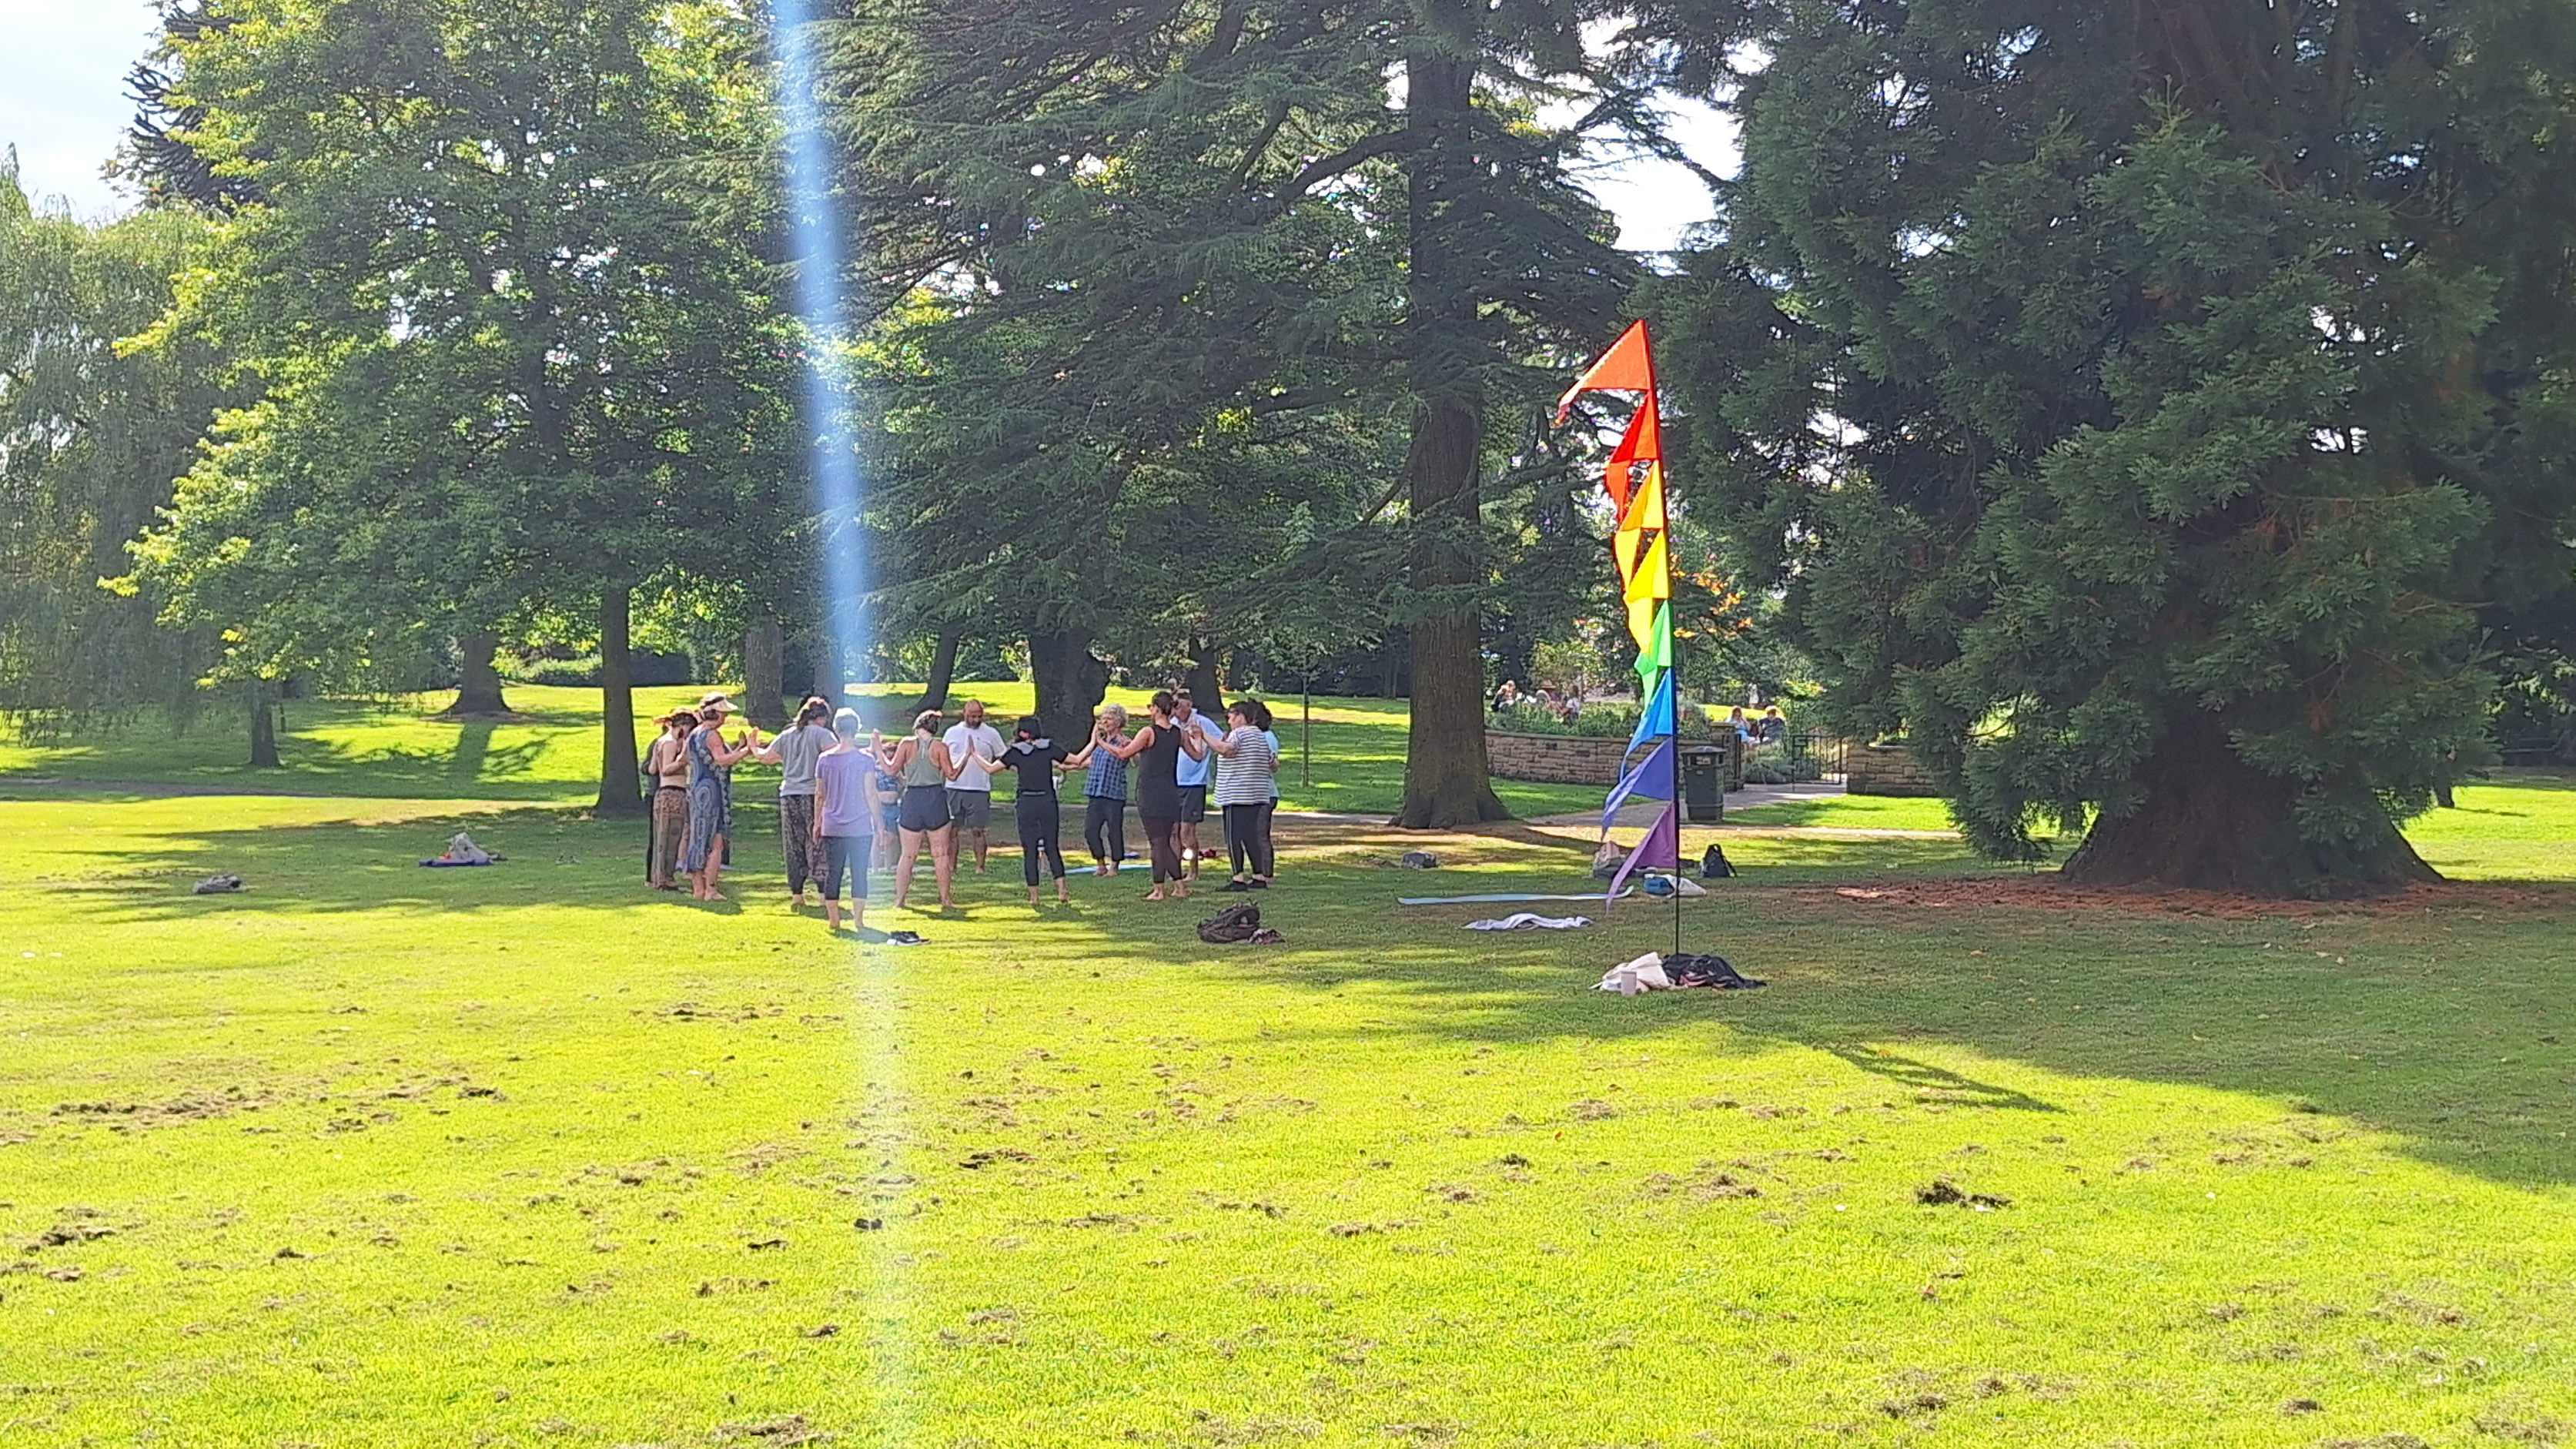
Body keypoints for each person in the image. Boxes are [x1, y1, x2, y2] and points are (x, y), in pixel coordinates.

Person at [1106, 689, 1206, 902]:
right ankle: (1178, 886)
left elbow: (1124, 754)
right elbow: (1198, 756)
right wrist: (1198, 738)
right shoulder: (1178, 733)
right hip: (1171, 791)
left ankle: (1159, 889)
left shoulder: (1148, 732)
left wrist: (1101, 742)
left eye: (1152, 707)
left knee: (1157, 841)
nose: (1150, 711)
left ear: (1158, 709)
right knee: (1165, 840)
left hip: (1150, 792)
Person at [754, 695, 835, 909]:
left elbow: (767, 757)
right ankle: (822, 892)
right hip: (812, 794)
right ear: (823, 717)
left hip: (789, 794)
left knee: (793, 844)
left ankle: (797, 893)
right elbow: (836, 757)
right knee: (816, 840)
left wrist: (753, 747)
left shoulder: (787, 735)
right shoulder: (822, 734)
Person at [680, 697, 762, 901]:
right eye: (724, 714)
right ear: (716, 714)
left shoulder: (693, 735)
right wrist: (746, 750)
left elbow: (695, 760)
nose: (725, 718)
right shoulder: (713, 735)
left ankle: (697, 888)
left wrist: (737, 749)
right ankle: (711, 889)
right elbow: (721, 761)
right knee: (716, 842)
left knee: (697, 837)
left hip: (697, 789)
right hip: (713, 791)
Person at [992, 714, 1076, 905]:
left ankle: (1034, 896)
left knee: (1030, 850)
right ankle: (1062, 891)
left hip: (1026, 802)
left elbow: (991, 769)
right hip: (1047, 801)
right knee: (1051, 846)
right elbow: (1076, 759)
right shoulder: (1048, 747)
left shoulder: (1016, 752)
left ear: (1022, 732)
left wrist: (973, 756)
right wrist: (1095, 740)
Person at [810, 708, 875, 933]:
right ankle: (858, 919)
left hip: (832, 824)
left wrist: (817, 821)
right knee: (860, 871)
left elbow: (820, 794)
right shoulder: (866, 759)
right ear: (856, 730)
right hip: (860, 825)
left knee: (833, 871)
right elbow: (870, 793)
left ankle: (834, 918)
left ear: (836, 730)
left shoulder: (824, 759)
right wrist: (880, 822)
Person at [1206, 699, 1280, 892]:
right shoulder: (1260, 736)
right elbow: (1274, 764)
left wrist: (1203, 735)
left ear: (1240, 716)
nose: (1229, 721)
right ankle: (1258, 875)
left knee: (1233, 836)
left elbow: (1226, 750)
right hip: (1256, 794)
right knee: (1251, 836)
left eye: (1230, 717)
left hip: (1235, 794)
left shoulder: (1239, 733)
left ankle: (1238, 877)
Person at [890, 708, 960, 911]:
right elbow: (951, 775)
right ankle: (945, 899)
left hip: (913, 797)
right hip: (935, 798)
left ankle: (900, 900)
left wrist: (877, 749)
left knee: (908, 855)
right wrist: (965, 758)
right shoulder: (940, 747)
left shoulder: (906, 744)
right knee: (940, 854)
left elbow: (891, 769)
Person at [941, 699, 1006, 874]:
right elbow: (943, 758)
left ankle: (980, 867)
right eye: (972, 716)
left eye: (979, 716)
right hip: (954, 787)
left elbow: (1003, 757)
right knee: (952, 830)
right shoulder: (952, 733)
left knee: (978, 829)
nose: (976, 720)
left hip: (979, 788)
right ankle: (951, 866)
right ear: (964, 713)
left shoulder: (991, 734)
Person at [1068, 704, 1131, 875]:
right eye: (1103, 718)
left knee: (1114, 831)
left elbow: (1134, 759)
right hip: (1096, 793)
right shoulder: (1099, 744)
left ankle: (1115, 865)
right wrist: (1068, 767)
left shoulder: (1124, 742)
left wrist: (1101, 742)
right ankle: (1100, 863)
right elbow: (1090, 762)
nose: (1105, 721)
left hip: (1113, 794)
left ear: (1119, 722)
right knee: (1090, 830)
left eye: (1109, 718)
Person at [1169, 689, 1225, 878]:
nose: (1174, 710)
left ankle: (1193, 869)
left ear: (1187, 705)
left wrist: (1203, 740)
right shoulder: (1172, 724)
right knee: (1173, 829)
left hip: (1194, 782)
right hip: (1174, 782)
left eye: (1177, 705)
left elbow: (1222, 741)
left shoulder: (1203, 722)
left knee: (1187, 830)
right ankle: (1175, 868)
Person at [643, 711, 696, 890]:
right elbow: (665, 769)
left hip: (662, 793)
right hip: (673, 792)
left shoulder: (660, 742)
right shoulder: (671, 743)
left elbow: (652, 769)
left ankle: (658, 876)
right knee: (671, 838)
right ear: (682, 727)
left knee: (662, 837)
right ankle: (665, 878)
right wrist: (682, 760)